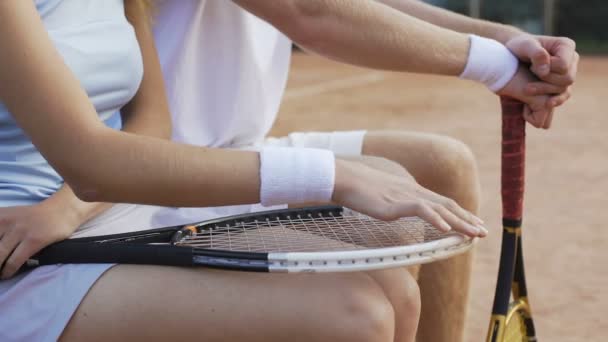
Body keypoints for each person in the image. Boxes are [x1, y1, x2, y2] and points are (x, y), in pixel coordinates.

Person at [0, 1, 577, 342]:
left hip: (135, 181)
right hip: (136, 185)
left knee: (397, 290)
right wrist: (332, 175)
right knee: (359, 311)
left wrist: (504, 41)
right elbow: (314, 14)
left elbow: (351, 3)